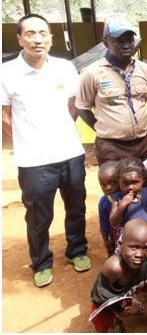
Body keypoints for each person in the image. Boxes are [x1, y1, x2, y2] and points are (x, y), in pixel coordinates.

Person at [1, 14, 89, 287]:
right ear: (20, 39)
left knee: (76, 206)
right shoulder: (7, 73)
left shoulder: (64, 68)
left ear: (51, 38)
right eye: (30, 34)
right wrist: (29, 139)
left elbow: (73, 106)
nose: (37, 39)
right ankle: (41, 262)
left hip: (70, 152)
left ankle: (77, 250)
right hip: (34, 160)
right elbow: (4, 116)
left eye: (42, 33)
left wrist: (59, 133)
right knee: (39, 215)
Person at [76, 19, 147, 165]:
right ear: (105, 43)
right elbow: (82, 107)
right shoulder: (91, 73)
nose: (126, 45)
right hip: (111, 146)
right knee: (113, 179)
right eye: (119, 41)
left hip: (143, 142)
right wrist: (103, 129)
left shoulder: (143, 69)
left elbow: (143, 100)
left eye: (129, 40)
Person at [90, 220, 147, 332]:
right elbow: (99, 299)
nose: (139, 254)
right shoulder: (114, 268)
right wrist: (121, 311)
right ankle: (113, 323)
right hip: (113, 296)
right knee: (100, 318)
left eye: (146, 248)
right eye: (133, 247)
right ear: (120, 245)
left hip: (140, 284)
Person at [109, 159, 147, 237]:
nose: (130, 187)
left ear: (143, 180)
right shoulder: (118, 197)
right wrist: (122, 206)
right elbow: (113, 222)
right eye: (125, 183)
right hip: (127, 238)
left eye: (134, 182)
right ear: (119, 181)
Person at [98, 161, 120, 257]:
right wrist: (106, 240)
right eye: (103, 185)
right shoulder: (103, 202)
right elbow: (103, 223)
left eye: (112, 183)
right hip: (115, 238)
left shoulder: (128, 197)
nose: (108, 188)